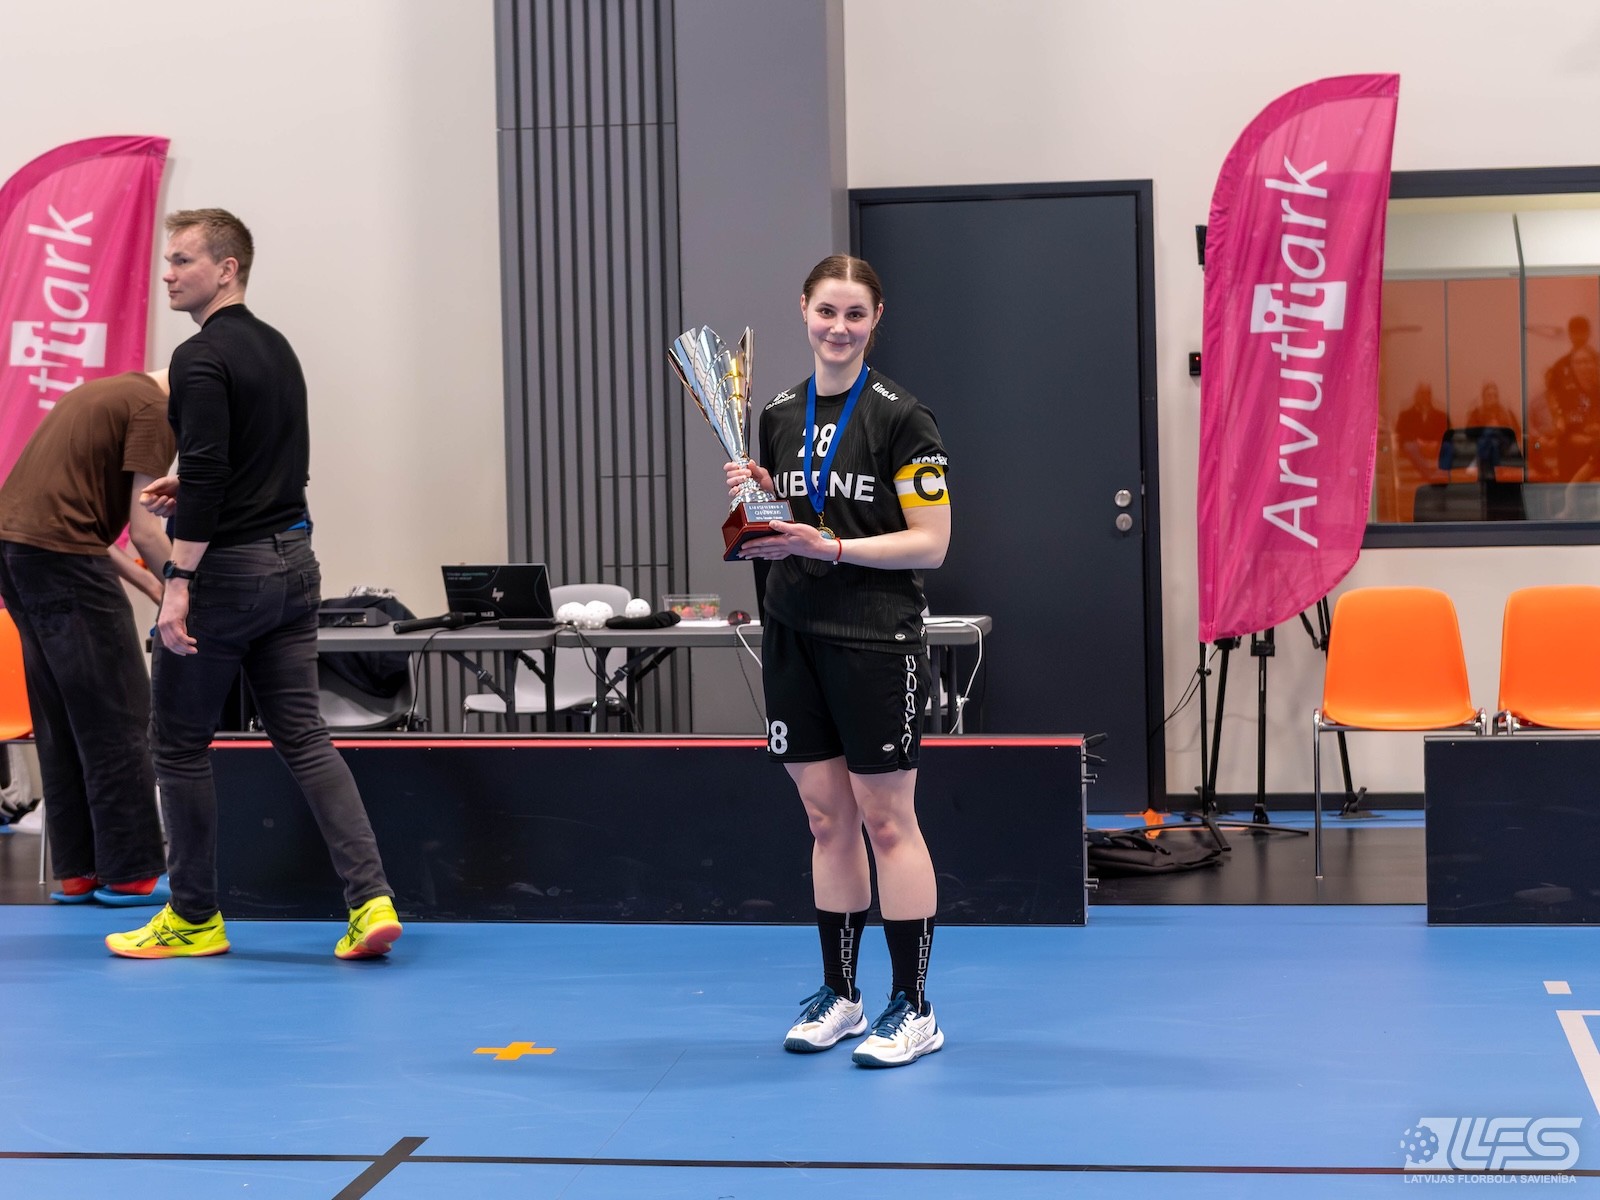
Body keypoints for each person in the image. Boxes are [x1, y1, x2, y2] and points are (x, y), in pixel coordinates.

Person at [106, 209, 401, 960]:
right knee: (303, 735)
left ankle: (193, 919)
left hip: (228, 575)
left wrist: (178, 580)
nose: (167, 274)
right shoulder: (276, 347)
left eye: (182, 260)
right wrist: (190, 482)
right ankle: (371, 902)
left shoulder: (200, 355)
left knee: (178, 745)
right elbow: (266, 458)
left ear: (227, 268)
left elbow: (209, 470)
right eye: (167, 260)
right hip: (294, 564)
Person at [723, 254, 952, 1068]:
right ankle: (842, 995)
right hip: (794, 634)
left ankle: (914, 1007)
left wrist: (836, 547)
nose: (839, 327)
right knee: (826, 820)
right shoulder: (779, 415)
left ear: (876, 319)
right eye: (827, 311)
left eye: (855, 313)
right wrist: (763, 498)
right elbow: (794, 522)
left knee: (888, 821)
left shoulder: (903, 418)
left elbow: (932, 541)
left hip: (874, 639)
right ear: (803, 310)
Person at [0, 370, 175, 905]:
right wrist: (188, 590)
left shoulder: (104, 393)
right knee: (119, 712)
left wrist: (153, 586)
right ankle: (132, 872)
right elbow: (145, 530)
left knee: (61, 716)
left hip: (16, 550)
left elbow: (80, 524)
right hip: (63, 557)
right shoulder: (155, 409)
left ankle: (79, 871)